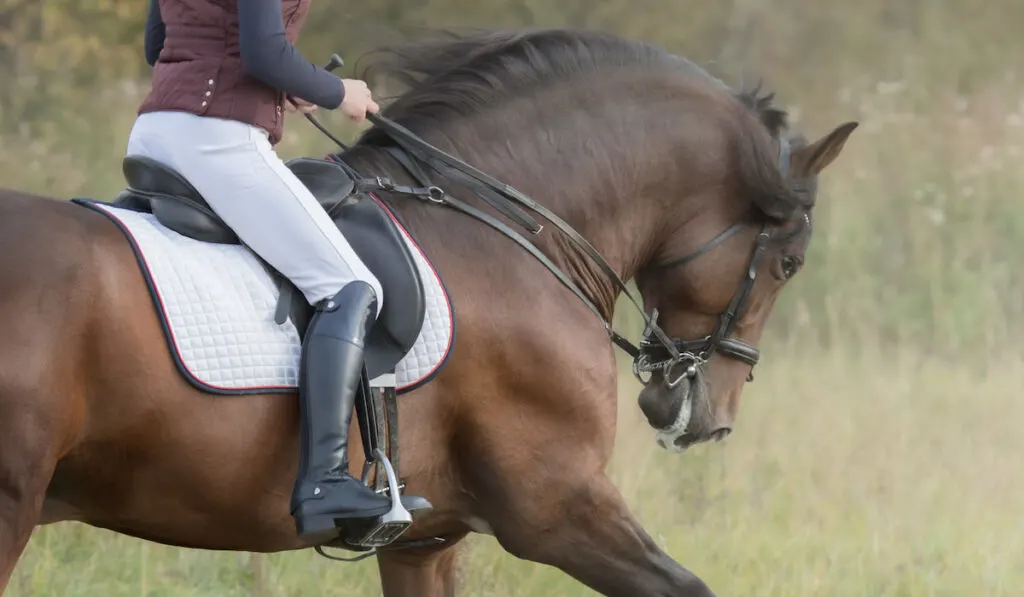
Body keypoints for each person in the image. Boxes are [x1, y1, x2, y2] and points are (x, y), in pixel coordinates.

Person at [128, 0, 423, 545]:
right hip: (217, 139)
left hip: (155, 130)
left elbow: (160, 44)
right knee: (350, 287)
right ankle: (325, 480)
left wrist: (285, 82)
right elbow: (263, 53)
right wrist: (341, 93)